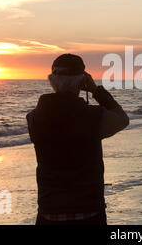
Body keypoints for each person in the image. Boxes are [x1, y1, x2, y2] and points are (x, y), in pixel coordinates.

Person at [26, 53, 129, 225]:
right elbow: (122, 118)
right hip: (89, 212)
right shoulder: (94, 117)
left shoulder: (33, 118)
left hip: (49, 212)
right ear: (82, 82)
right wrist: (96, 91)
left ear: (51, 80)